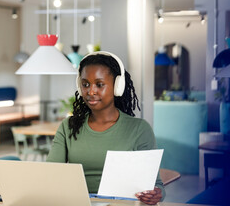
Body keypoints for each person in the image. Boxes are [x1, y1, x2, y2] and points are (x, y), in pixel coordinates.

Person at [46, 51, 165, 205]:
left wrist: (155, 193)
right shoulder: (68, 126)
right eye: (85, 84)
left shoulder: (139, 129)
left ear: (117, 86)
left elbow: (157, 185)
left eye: (99, 84)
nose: (91, 91)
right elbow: (50, 174)